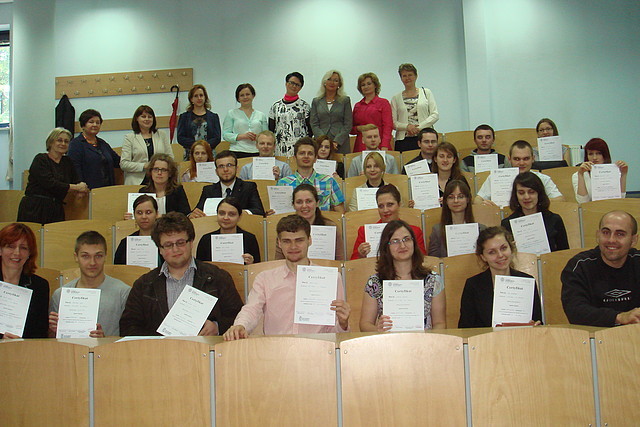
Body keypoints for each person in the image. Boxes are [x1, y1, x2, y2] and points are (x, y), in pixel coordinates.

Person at [223, 215, 350, 339]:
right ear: (279, 243)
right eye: (286, 241)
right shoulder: (265, 279)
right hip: (276, 348)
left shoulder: (331, 279)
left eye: (299, 240)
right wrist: (240, 325)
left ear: (309, 240)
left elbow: (335, 331)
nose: (293, 247)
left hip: (319, 347)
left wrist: (343, 324)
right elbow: (252, 309)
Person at [120, 212, 243, 336]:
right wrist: (159, 340)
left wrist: (217, 327)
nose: (175, 249)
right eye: (168, 245)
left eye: (180, 242)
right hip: (159, 348)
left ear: (191, 242)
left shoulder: (218, 277)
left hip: (205, 347)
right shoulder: (144, 284)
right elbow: (128, 327)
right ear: (160, 249)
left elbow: (238, 317)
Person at [360, 220, 446, 331]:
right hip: (387, 340)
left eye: (406, 239)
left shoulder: (433, 281)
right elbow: (365, 324)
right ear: (386, 246)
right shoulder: (375, 283)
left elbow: (440, 323)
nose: (402, 245)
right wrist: (378, 330)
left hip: (425, 340)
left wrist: (428, 339)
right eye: (395, 241)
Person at [562, 211, 640, 326]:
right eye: (606, 233)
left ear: (633, 240)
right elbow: (575, 311)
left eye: (620, 234)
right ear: (598, 236)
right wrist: (619, 317)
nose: (611, 240)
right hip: (593, 335)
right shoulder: (579, 266)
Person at [49, 231, 131, 337]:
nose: (92, 262)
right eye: (85, 256)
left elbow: (129, 337)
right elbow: (52, 340)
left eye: (98, 256)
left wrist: (105, 340)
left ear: (105, 256)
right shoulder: (60, 295)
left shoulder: (123, 293)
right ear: (76, 257)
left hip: (109, 348)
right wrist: (53, 331)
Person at [458, 226, 543, 328]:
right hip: (486, 338)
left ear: (511, 248)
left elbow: (538, 320)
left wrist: (536, 325)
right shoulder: (473, 285)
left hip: (522, 336)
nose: (500, 255)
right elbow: (465, 327)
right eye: (492, 252)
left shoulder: (527, 281)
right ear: (483, 257)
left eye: (503, 248)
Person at [17, 128, 89, 224]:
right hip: (35, 207)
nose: (63, 143)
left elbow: (76, 180)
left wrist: (81, 189)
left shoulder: (67, 162)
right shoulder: (40, 159)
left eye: (66, 141)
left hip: (56, 208)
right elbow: (50, 183)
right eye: (59, 140)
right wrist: (76, 187)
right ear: (50, 142)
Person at [474, 140, 565, 206]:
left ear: (533, 159)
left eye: (526, 159)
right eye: (517, 159)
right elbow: (477, 200)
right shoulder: (495, 177)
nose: (521, 163)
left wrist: (536, 201)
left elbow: (560, 199)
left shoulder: (543, 178)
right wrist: (484, 204)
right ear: (509, 159)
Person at [351, 185, 426, 259]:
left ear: (399, 205)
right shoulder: (365, 232)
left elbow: (423, 261)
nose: (385, 210)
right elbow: (353, 264)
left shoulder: (415, 232)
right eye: (381, 206)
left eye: (390, 205)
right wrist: (361, 256)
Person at [0, 223, 48, 339]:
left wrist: (22, 342)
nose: (17, 253)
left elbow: (40, 333)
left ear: (29, 253)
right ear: (0, 250)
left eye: (23, 248)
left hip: (26, 348)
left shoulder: (40, 286)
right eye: (11, 246)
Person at [501, 172, 569, 252]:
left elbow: (564, 253)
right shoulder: (507, 224)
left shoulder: (554, 220)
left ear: (539, 194)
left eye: (531, 192)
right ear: (516, 195)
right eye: (521, 193)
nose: (526, 197)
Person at [274, 184, 344, 261]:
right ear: (293, 205)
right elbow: (278, 261)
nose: (304, 206)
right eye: (299, 202)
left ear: (317, 203)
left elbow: (340, 261)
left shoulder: (330, 227)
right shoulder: (285, 228)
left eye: (309, 201)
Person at [277, 138, 345, 212]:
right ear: (294, 158)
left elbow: (340, 213)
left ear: (315, 158)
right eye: (302, 153)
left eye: (310, 154)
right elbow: (278, 213)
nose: (306, 156)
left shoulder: (329, 181)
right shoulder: (283, 183)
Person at [191, 150, 265, 217]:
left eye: (229, 165)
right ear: (216, 171)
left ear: (236, 168)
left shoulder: (248, 187)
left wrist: (243, 212)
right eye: (221, 166)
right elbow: (196, 211)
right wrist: (192, 215)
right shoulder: (208, 190)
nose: (225, 169)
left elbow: (259, 211)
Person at [429, 180, 486, 257]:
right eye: (451, 197)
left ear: (467, 199)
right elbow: (434, 261)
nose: (456, 201)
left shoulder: (481, 230)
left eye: (460, 197)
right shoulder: (437, 231)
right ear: (446, 201)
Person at [196, 197, 261, 264]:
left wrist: (251, 263)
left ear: (239, 217)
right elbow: (199, 267)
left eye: (231, 214)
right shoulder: (206, 240)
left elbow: (258, 267)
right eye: (222, 213)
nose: (226, 218)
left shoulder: (249, 239)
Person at [390, 63, 439, 152]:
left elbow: (435, 115)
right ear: (401, 78)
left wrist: (418, 127)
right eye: (404, 76)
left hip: (425, 138)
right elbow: (393, 122)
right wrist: (407, 127)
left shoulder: (426, 92)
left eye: (410, 75)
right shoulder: (396, 98)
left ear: (416, 76)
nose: (407, 78)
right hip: (403, 141)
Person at [68, 109, 121, 189]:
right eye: (91, 122)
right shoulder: (76, 144)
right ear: (83, 125)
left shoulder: (103, 143)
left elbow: (117, 161)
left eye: (98, 122)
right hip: (87, 189)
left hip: (109, 188)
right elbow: (75, 169)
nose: (95, 125)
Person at [121, 105, 173, 185]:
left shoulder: (162, 135)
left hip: (160, 179)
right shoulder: (129, 138)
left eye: (150, 117)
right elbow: (124, 164)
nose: (147, 119)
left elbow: (170, 158)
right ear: (137, 119)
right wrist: (144, 166)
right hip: (136, 181)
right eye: (143, 116)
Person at [572, 138, 628, 204]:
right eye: (590, 154)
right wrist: (580, 175)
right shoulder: (577, 176)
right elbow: (583, 202)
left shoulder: (614, 172)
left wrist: (624, 174)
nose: (594, 158)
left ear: (605, 155)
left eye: (599, 153)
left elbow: (621, 198)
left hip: (611, 207)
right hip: (591, 208)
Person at [269, 72, 311, 157]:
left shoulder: (305, 106)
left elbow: (310, 129)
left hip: (300, 150)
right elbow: (271, 129)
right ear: (286, 83)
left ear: (300, 88)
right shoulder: (275, 106)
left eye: (297, 85)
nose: (294, 86)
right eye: (291, 83)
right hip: (280, 150)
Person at [310, 70, 353, 154]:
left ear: (339, 84)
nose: (332, 82)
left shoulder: (345, 100)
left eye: (336, 80)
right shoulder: (316, 101)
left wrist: (337, 141)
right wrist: (323, 140)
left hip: (341, 142)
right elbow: (314, 123)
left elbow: (348, 124)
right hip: (321, 143)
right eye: (329, 79)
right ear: (324, 82)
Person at [114, 195, 164, 266]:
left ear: (156, 214)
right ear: (134, 215)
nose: (144, 217)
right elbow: (118, 269)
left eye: (148, 212)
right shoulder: (125, 243)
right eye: (139, 213)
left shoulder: (165, 242)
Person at [222, 83, 267, 159]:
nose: (245, 97)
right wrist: (242, 136)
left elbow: (266, 135)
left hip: (257, 151)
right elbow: (225, 135)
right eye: (242, 95)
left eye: (247, 94)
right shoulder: (231, 113)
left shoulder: (261, 115)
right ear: (238, 98)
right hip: (237, 151)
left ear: (253, 96)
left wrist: (258, 137)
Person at [177, 84, 221, 158]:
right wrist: (196, 146)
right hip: (190, 154)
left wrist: (205, 146)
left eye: (201, 95)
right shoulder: (184, 117)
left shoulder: (213, 117)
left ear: (205, 97)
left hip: (209, 153)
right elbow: (180, 138)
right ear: (191, 99)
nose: (199, 98)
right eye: (196, 96)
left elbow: (217, 137)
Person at [351, 72, 393, 152]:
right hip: (361, 146)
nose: (366, 87)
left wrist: (385, 145)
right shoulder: (357, 106)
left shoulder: (383, 103)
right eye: (363, 85)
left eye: (369, 84)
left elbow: (388, 126)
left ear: (375, 85)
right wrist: (358, 128)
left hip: (379, 144)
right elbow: (351, 129)